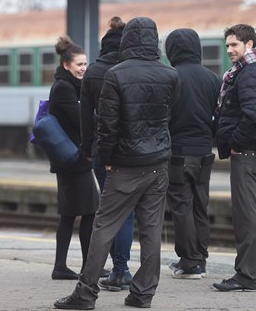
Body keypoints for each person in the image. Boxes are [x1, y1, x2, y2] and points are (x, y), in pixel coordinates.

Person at [54, 17, 179, 310]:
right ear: (154, 39)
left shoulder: (116, 75)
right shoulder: (170, 75)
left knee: (104, 227)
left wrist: (106, 159)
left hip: (124, 164)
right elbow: (169, 118)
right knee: (151, 231)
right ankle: (142, 294)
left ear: (127, 41)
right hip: (158, 163)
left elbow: (107, 125)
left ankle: (85, 294)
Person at [212, 24, 256, 292]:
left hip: (248, 152)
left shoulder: (249, 73)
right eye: (227, 45)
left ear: (249, 45)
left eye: (234, 45)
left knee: (246, 215)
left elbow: (253, 114)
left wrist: (236, 142)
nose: (229, 50)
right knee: (255, 214)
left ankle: (246, 275)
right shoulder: (254, 70)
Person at [80, 16, 134, 291]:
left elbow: (86, 118)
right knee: (130, 212)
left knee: (109, 210)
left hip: (103, 150)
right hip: (136, 151)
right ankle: (123, 269)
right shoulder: (133, 68)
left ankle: (116, 270)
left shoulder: (94, 71)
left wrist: (87, 149)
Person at [164, 28, 221, 279]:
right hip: (204, 153)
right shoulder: (214, 79)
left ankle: (189, 262)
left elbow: (164, 118)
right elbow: (220, 117)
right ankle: (201, 258)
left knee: (181, 207)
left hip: (177, 153)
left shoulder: (170, 77)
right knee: (200, 205)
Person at [48, 35, 98, 280]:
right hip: (72, 160)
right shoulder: (63, 89)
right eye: (79, 64)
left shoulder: (70, 86)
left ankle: (61, 266)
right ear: (66, 65)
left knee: (70, 214)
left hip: (70, 159)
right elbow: (82, 121)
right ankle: (87, 266)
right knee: (89, 211)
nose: (83, 68)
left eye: (86, 64)